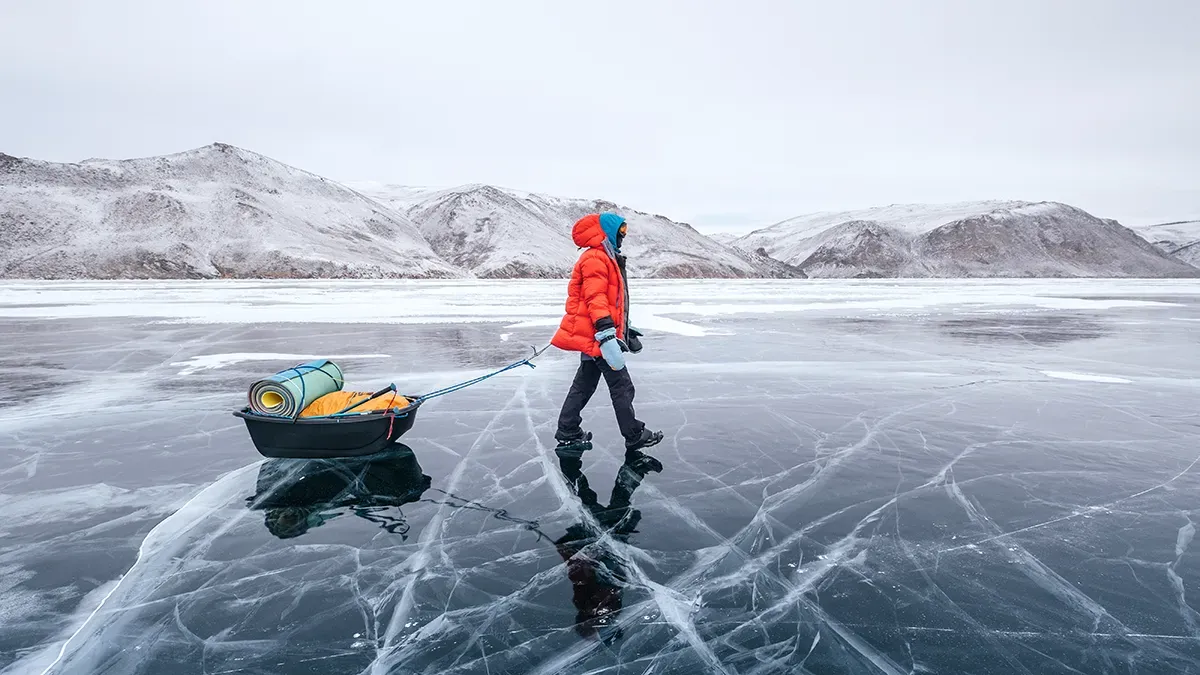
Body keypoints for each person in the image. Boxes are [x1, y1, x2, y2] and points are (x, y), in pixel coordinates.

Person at [551, 212, 663, 454]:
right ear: (607, 232)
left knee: (584, 384)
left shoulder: (604, 257)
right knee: (621, 384)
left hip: (597, 333)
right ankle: (634, 435)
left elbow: (612, 299)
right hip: (597, 336)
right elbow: (595, 298)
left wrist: (624, 326)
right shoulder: (595, 258)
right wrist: (606, 332)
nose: (623, 237)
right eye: (621, 232)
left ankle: (568, 430)